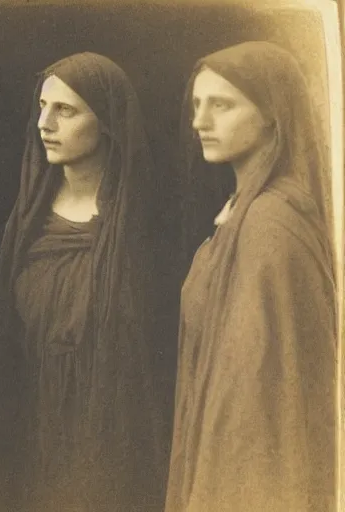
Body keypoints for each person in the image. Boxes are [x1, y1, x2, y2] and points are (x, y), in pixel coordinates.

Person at [0, 52, 169, 511]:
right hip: (30, 423)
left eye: (65, 110)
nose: (44, 123)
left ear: (107, 121)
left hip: (106, 427)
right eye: (42, 107)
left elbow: (148, 364)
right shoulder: (28, 222)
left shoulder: (138, 230)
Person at [166, 41, 336, 512]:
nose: (200, 122)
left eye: (221, 105)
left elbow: (259, 399)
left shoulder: (270, 226)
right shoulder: (241, 214)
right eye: (197, 105)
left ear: (271, 115)